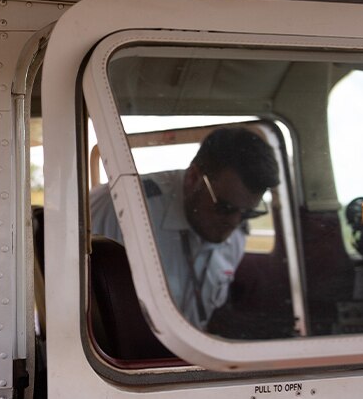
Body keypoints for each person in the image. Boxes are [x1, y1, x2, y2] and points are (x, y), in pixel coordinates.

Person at [88, 125, 278, 329]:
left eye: (249, 213)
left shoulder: (236, 233)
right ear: (193, 178)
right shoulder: (120, 210)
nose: (234, 222)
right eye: (225, 207)